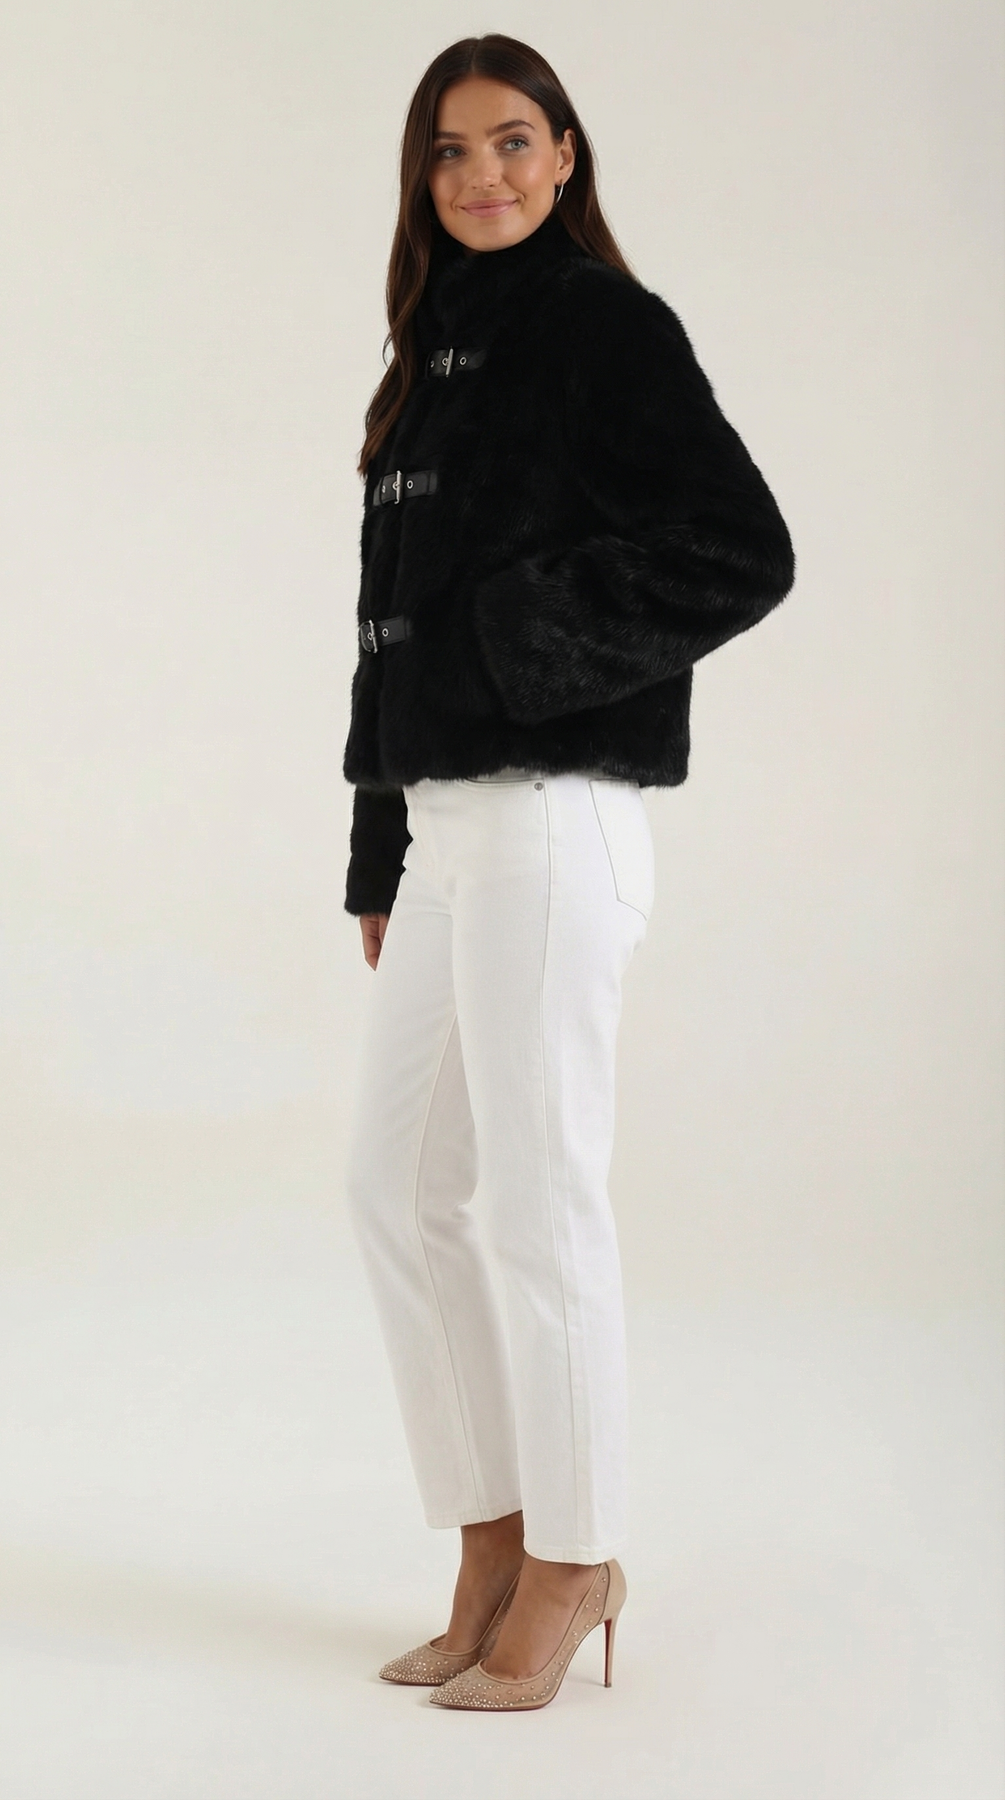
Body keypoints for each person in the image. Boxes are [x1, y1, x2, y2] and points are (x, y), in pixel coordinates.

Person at [341, 34, 795, 1713]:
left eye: (514, 141)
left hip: (554, 816)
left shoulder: (607, 326)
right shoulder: (427, 354)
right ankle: (493, 1534)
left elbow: (742, 548)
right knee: (394, 1188)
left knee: (541, 1201)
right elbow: (381, 628)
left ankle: (581, 1553)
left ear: (567, 152)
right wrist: (377, 842)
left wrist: (519, 644)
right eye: (451, 151)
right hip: (449, 833)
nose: (484, 176)